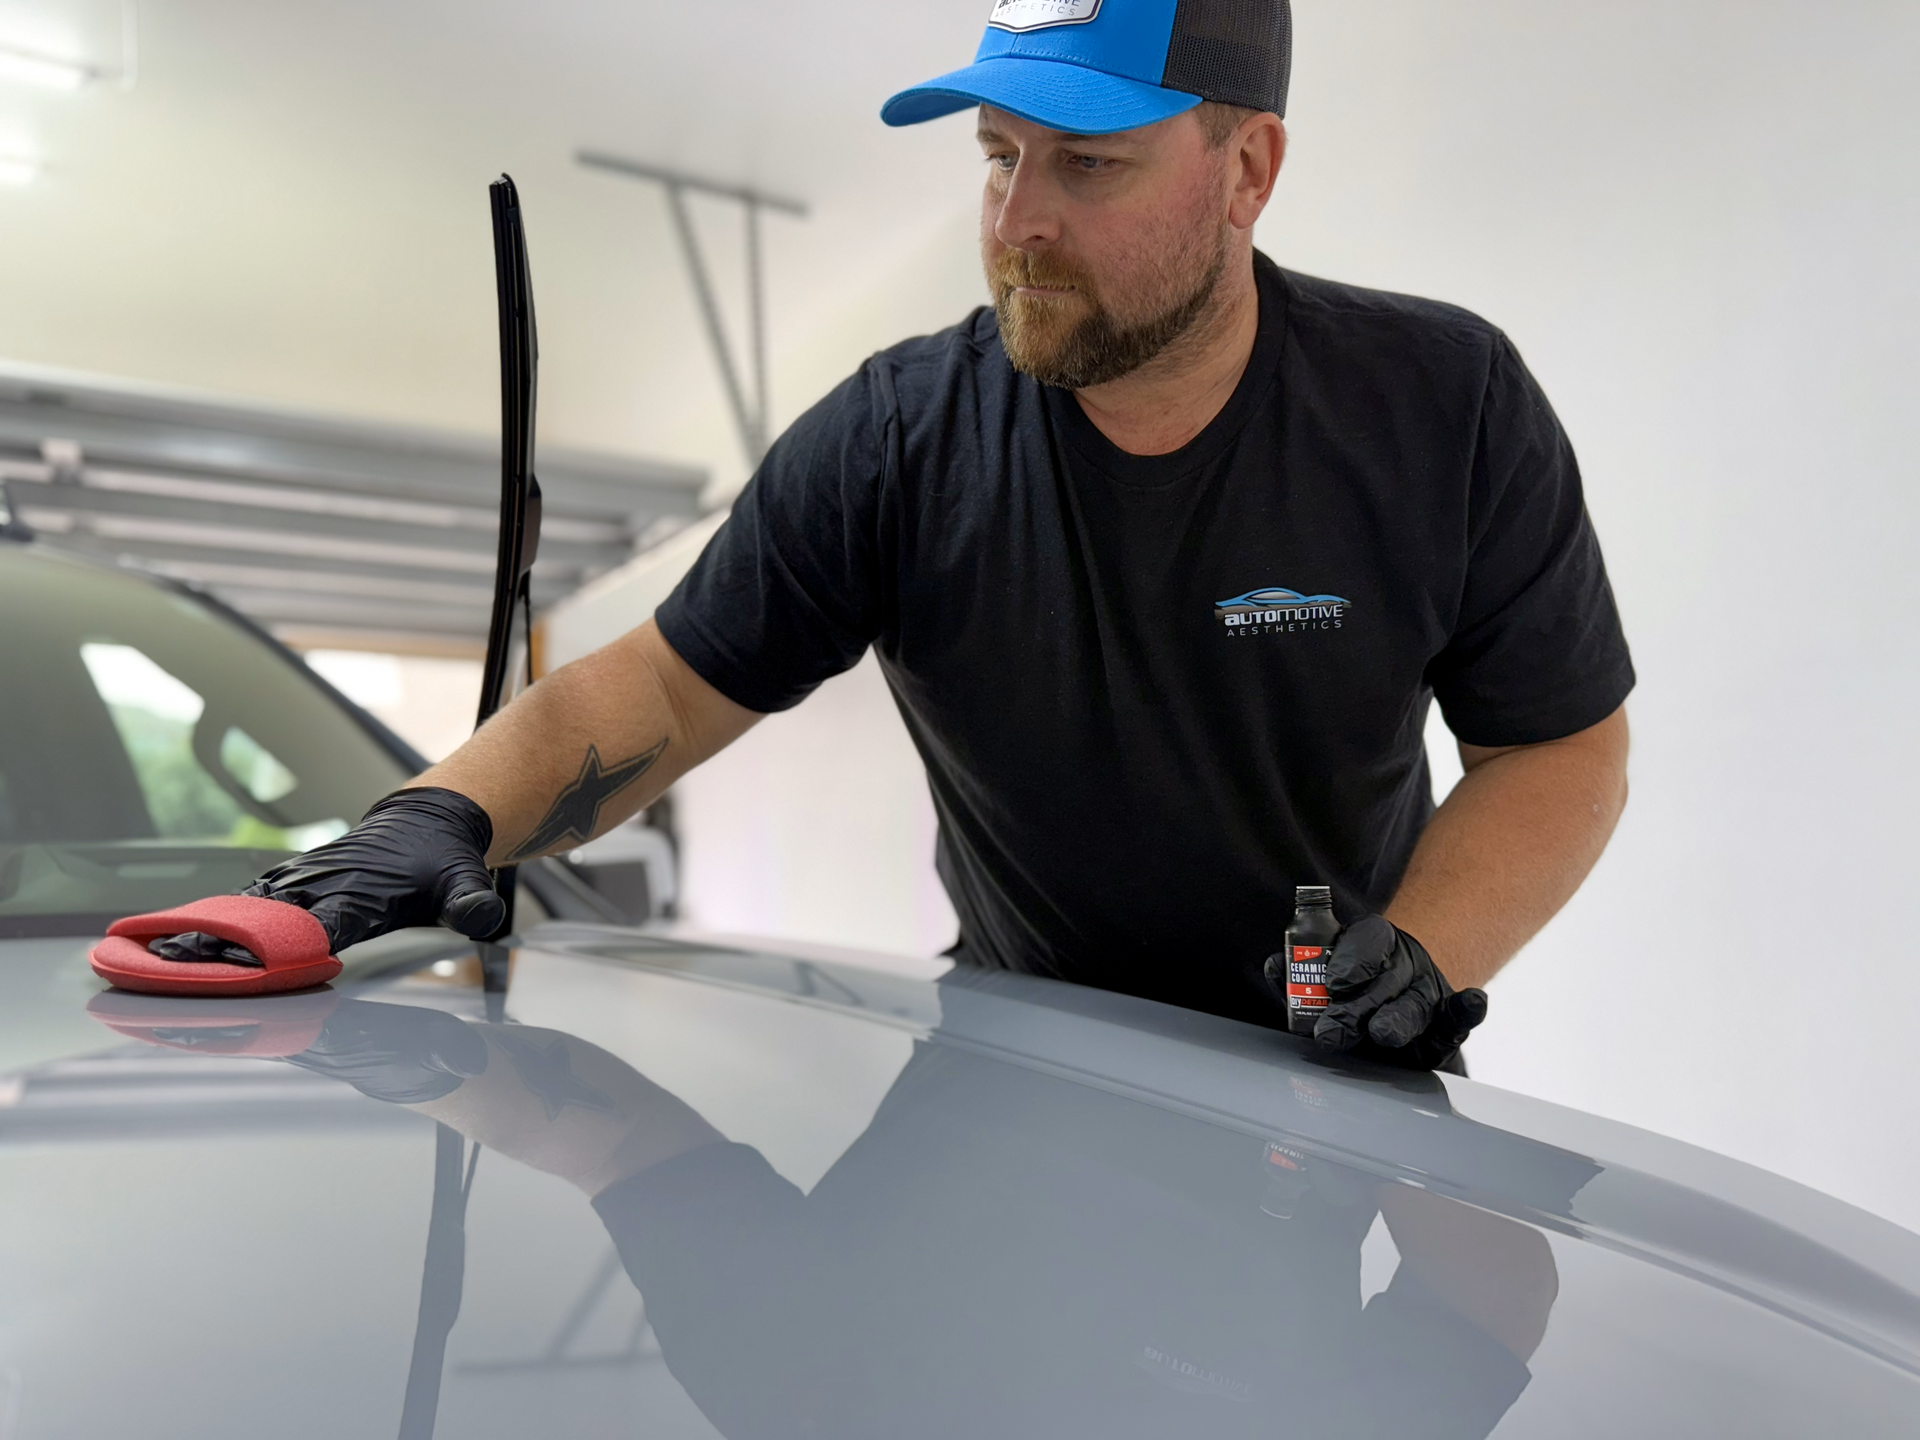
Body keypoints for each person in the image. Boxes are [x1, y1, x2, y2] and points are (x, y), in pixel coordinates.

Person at [159, 0, 1633, 1071]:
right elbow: (664, 689)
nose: (1018, 221)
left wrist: (1423, 961)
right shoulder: (898, 439)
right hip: (1013, 1048)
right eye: (999, 157)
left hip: (1335, 1073)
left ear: (1248, 168)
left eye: (1088, 164)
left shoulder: (1442, 407)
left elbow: (1555, 746)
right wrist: (435, 819)